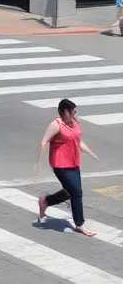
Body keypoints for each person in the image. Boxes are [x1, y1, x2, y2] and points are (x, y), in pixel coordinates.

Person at [36, 99, 99, 236]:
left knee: (71, 191)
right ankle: (80, 224)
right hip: (60, 164)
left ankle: (46, 201)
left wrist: (90, 152)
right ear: (65, 111)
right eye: (72, 111)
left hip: (73, 162)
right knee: (76, 192)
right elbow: (44, 141)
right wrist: (38, 161)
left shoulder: (74, 123)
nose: (75, 113)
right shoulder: (56, 125)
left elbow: (79, 141)